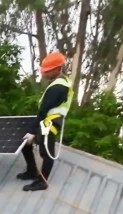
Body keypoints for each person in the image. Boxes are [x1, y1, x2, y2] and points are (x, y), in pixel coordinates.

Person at [20, 52, 73, 192]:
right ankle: (32, 171)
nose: (44, 74)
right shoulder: (59, 83)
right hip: (47, 120)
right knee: (25, 143)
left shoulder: (58, 87)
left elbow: (43, 111)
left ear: (57, 69)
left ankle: (42, 181)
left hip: (50, 122)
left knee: (47, 151)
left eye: (47, 71)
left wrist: (32, 130)